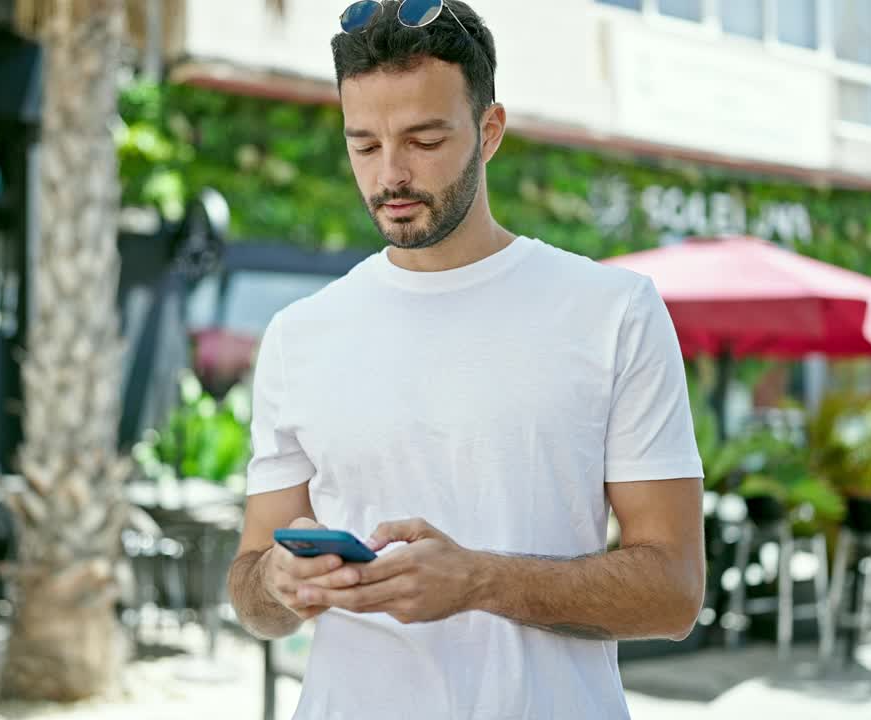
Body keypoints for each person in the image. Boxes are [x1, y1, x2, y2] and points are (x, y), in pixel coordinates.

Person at [226, 1, 705, 717]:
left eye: (423, 139)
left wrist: (479, 581)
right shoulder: (300, 334)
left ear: (489, 131)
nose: (391, 174)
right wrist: (278, 585)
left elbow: (674, 593)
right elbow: (252, 591)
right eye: (364, 144)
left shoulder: (614, 312)